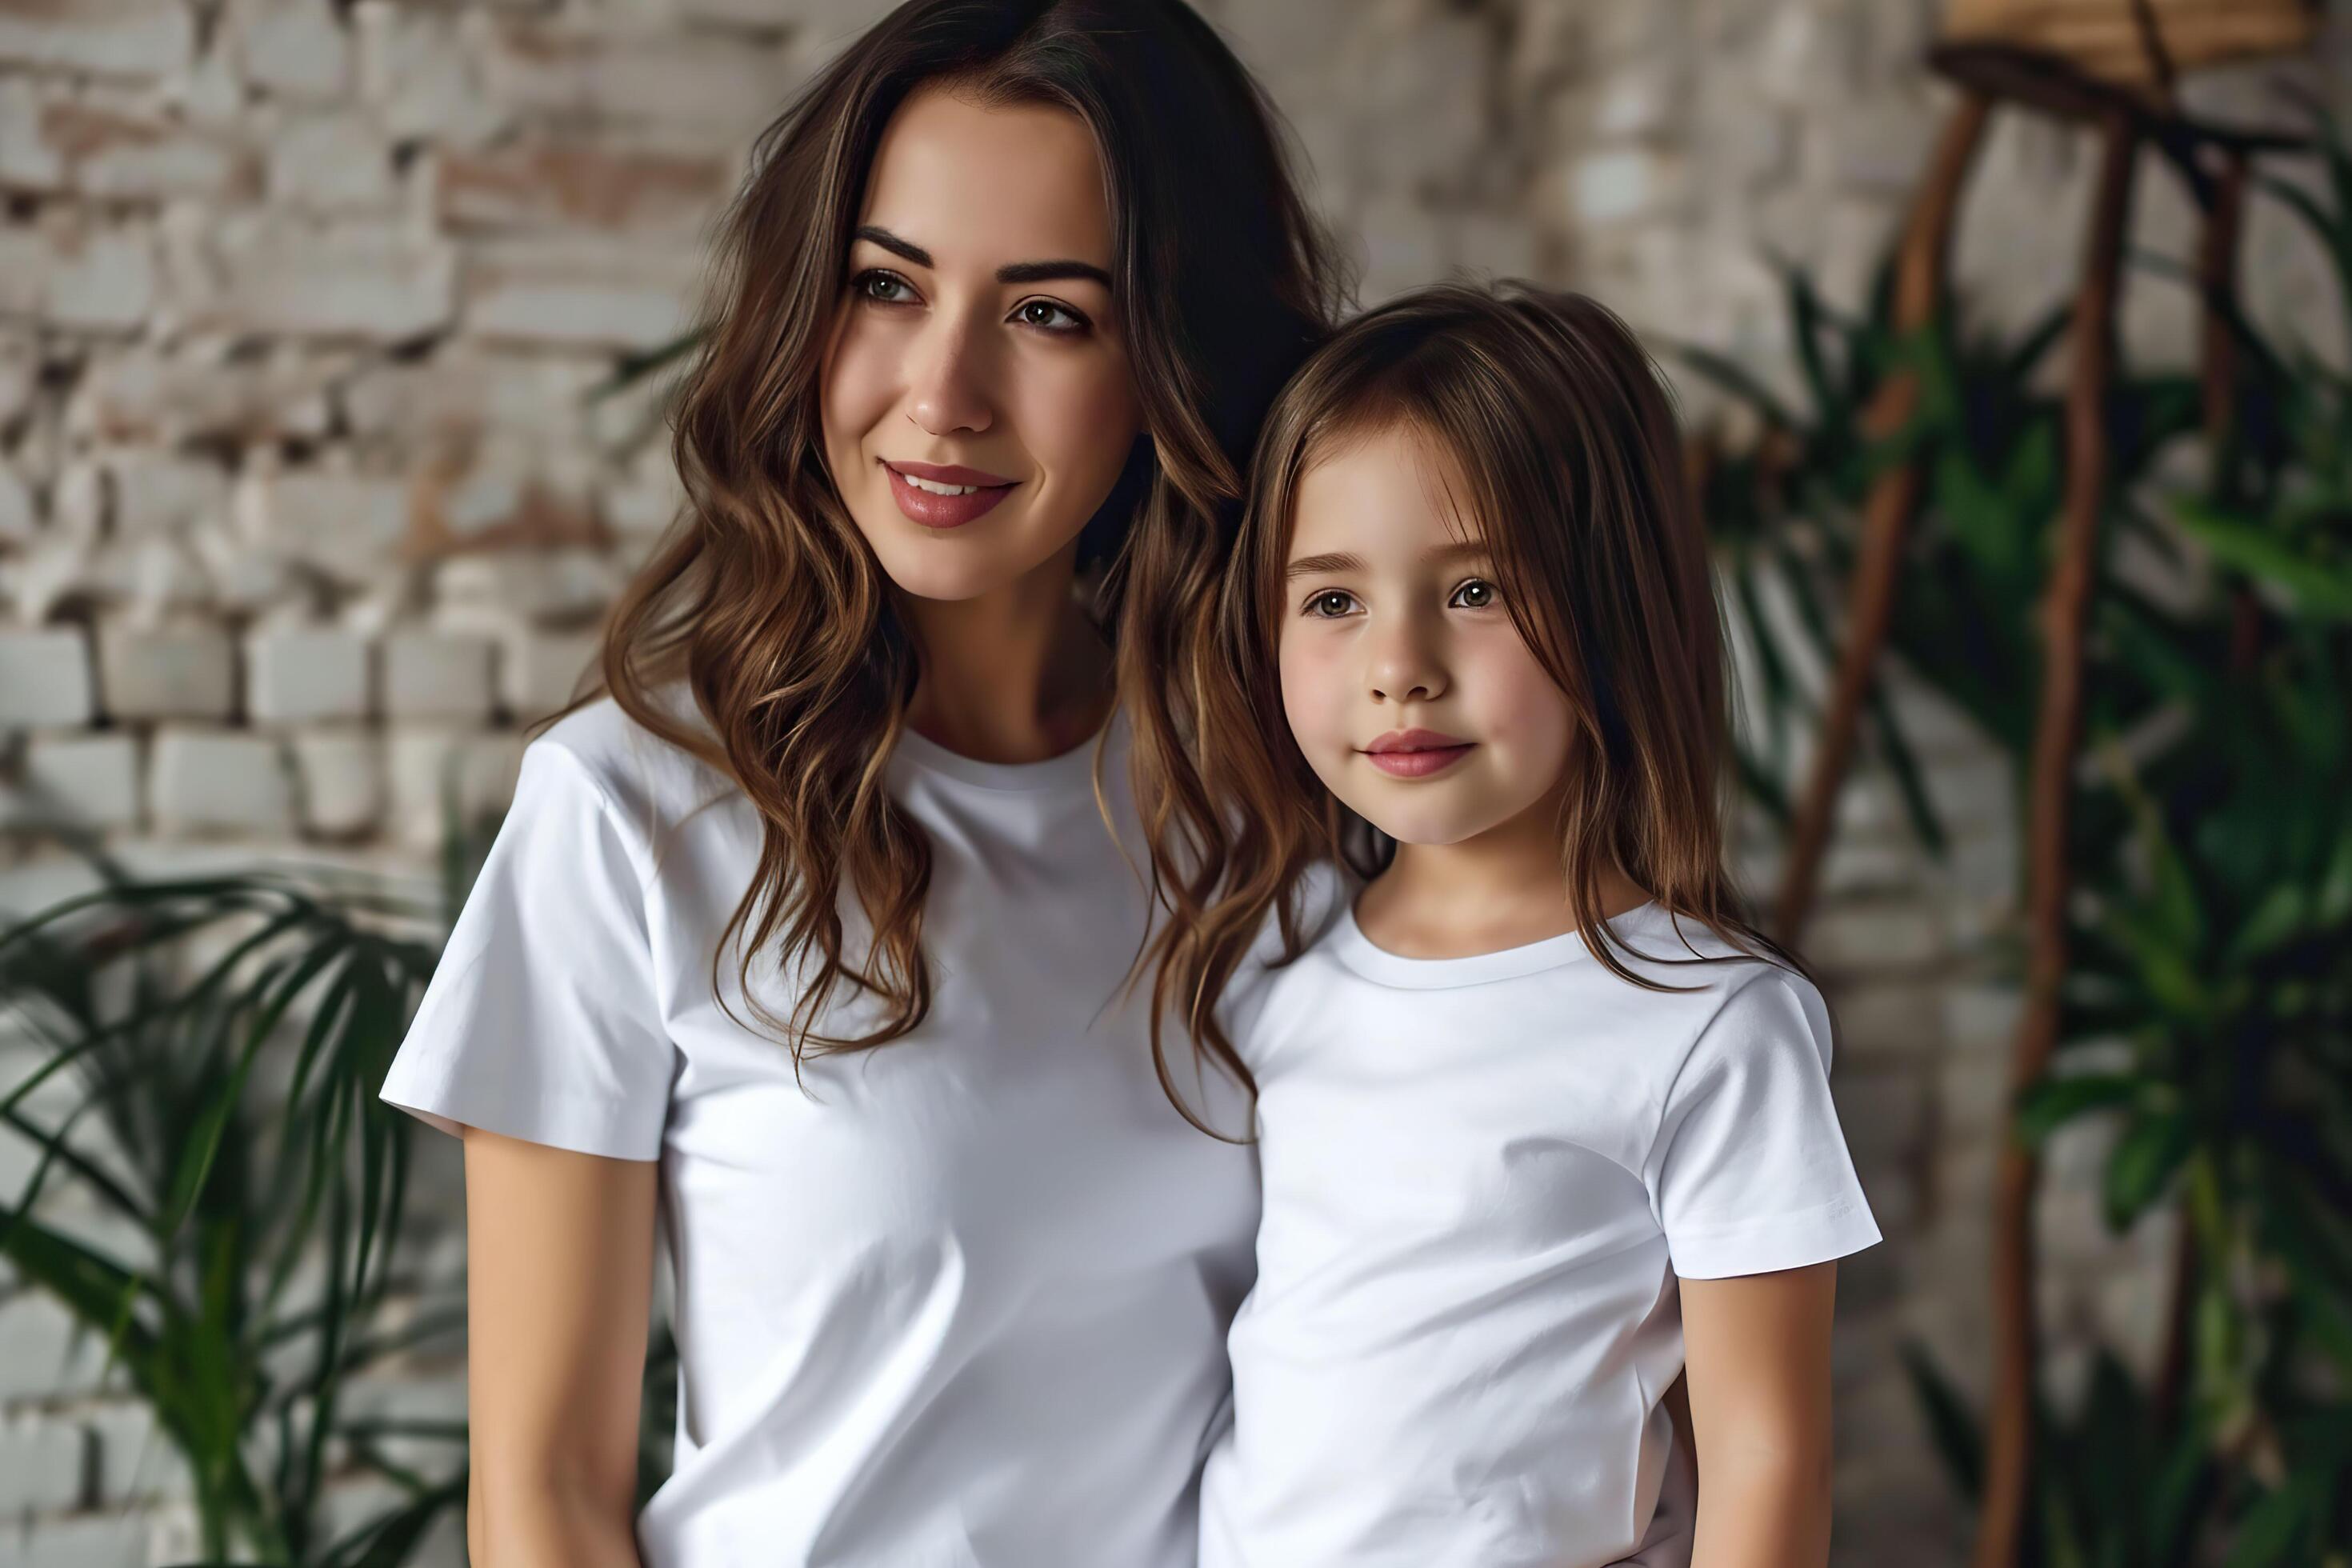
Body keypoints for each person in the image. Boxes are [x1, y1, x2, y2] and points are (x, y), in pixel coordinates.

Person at [375, 3, 1343, 1563]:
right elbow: (543, 1499)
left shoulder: (1279, 816)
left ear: (1173, 361)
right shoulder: (631, 813)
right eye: (888, 288)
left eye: (1051, 315)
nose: (943, 392)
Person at [1152, 282, 1882, 1567]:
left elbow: (1770, 1455)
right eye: (1333, 601)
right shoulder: (1271, 963)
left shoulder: (1711, 1022)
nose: (1400, 663)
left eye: (1476, 588)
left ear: (1608, 608)